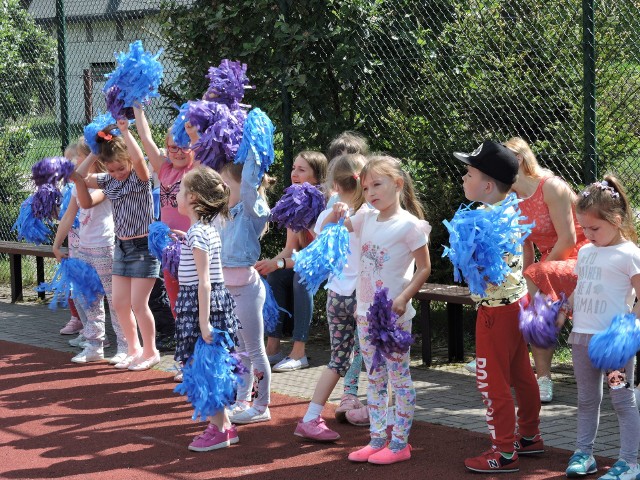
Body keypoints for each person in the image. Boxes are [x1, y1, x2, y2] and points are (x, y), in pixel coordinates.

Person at [325, 155, 431, 464]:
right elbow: (337, 227)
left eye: (377, 185)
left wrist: (404, 298)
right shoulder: (365, 218)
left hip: (393, 318)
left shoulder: (410, 225)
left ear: (397, 184)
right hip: (364, 314)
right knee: (375, 378)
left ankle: (400, 444)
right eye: (366, 186)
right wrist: (338, 210)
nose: (370, 192)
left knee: (399, 378)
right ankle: (376, 439)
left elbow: (425, 268)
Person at [452, 140, 542, 474]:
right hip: (517, 302)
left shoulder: (481, 219)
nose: (464, 178)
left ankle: (503, 451)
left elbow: (478, 269)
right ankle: (530, 436)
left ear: (487, 185)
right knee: (521, 373)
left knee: (492, 381)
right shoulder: (512, 207)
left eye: (469, 173)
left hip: (495, 312)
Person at [556, 176, 640, 479]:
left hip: (612, 347)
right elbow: (583, 288)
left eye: (595, 228)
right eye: (584, 228)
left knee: (622, 400)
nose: (588, 234)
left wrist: (629, 326)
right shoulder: (586, 252)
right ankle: (584, 453)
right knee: (586, 399)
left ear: (616, 220)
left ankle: (630, 461)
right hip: (581, 340)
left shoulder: (630, 253)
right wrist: (563, 308)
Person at [74, 119, 161, 371]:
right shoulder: (109, 181)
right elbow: (80, 176)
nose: (117, 173)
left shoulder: (139, 178)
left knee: (138, 303)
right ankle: (132, 350)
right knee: (121, 304)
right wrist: (95, 149)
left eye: (120, 168)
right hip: (121, 247)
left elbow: (140, 162)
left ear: (128, 163)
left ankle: (150, 351)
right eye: (111, 169)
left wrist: (124, 131)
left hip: (143, 246)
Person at [507, 136, 588, 403]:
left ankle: (507, 355)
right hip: (548, 263)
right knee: (531, 299)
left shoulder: (552, 187)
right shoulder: (514, 197)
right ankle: (541, 380)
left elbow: (569, 240)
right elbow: (526, 248)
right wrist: (524, 276)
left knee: (535, 292)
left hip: (581, 258)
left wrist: (537, 274)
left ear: (517, 159)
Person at [294, 153, 367, 441]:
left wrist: (333, 220)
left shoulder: (329, 214)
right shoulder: (369, 214)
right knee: (373, 357)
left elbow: (320, 246)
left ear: (334, 184)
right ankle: (383, 414)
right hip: (364, 298)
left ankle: (311, 416)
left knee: (338, 359)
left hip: (336, 296)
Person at [173, 166, 239, 451]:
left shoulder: (198, 234)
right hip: (209, 304)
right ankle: (223, 424)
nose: (176, 194)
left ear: (193, 198)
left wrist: (203, 322)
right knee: (210, 366)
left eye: (180, 190)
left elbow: (204, 283)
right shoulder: (202, 231)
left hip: (201, 306)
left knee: (201, 367)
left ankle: (219, 428)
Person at [255, 151, 327, 372]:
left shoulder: (326, 202)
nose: (294, 174)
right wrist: (265, 265)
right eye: (294, 168)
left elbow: (320, 255)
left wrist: (309, 219)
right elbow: (290, 249)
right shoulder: (293, 201)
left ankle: (299, 352)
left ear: (317, 177)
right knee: (276, 274)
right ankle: (273, 347)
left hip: (331, 266)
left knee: (300, 276)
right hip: (302, 262)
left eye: (302, 170)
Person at [58, 144, 127, 363]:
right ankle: (94, 345)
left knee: (115, 299)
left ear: (90, 158)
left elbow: (89, 201)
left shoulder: (107, 180)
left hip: (105, 247)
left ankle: (125, 345)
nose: (70, 165)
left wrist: (95, 152)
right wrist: (56, 244)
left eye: (75, 159)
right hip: (83, 249)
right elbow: (69, 216)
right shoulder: (77, 186)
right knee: (88, 299)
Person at [219, 159, 275, 425]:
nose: (220, 190)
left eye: (226, 185)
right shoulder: (221, 214)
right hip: (227, 291)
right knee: (238, 349)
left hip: (248, 291)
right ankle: (242, 400)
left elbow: (251, 189)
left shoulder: (251, 212)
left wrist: (252, 154)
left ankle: (261, 405)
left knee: (254, 349)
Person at [133, 106, 199, 318]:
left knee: (196, 298)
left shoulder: (195, 169)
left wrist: (192, 134)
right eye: (173, 148)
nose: (179, 152)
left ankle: (201, 343)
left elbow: (200, 146)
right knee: (175, 300)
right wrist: (138, 108)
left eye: (184, 147)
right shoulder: (164, 169)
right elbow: (146, 138)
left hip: (193, 244)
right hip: (169, 247)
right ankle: (182, 339)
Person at [58, 143, 83, 337]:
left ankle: (92, 327)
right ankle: (77, 319)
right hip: (73, 246)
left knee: (87, 288)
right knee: (71, 283)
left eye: (70, 160)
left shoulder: (87, 184)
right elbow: (64, 217)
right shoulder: (67, 188)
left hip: (92, 245)